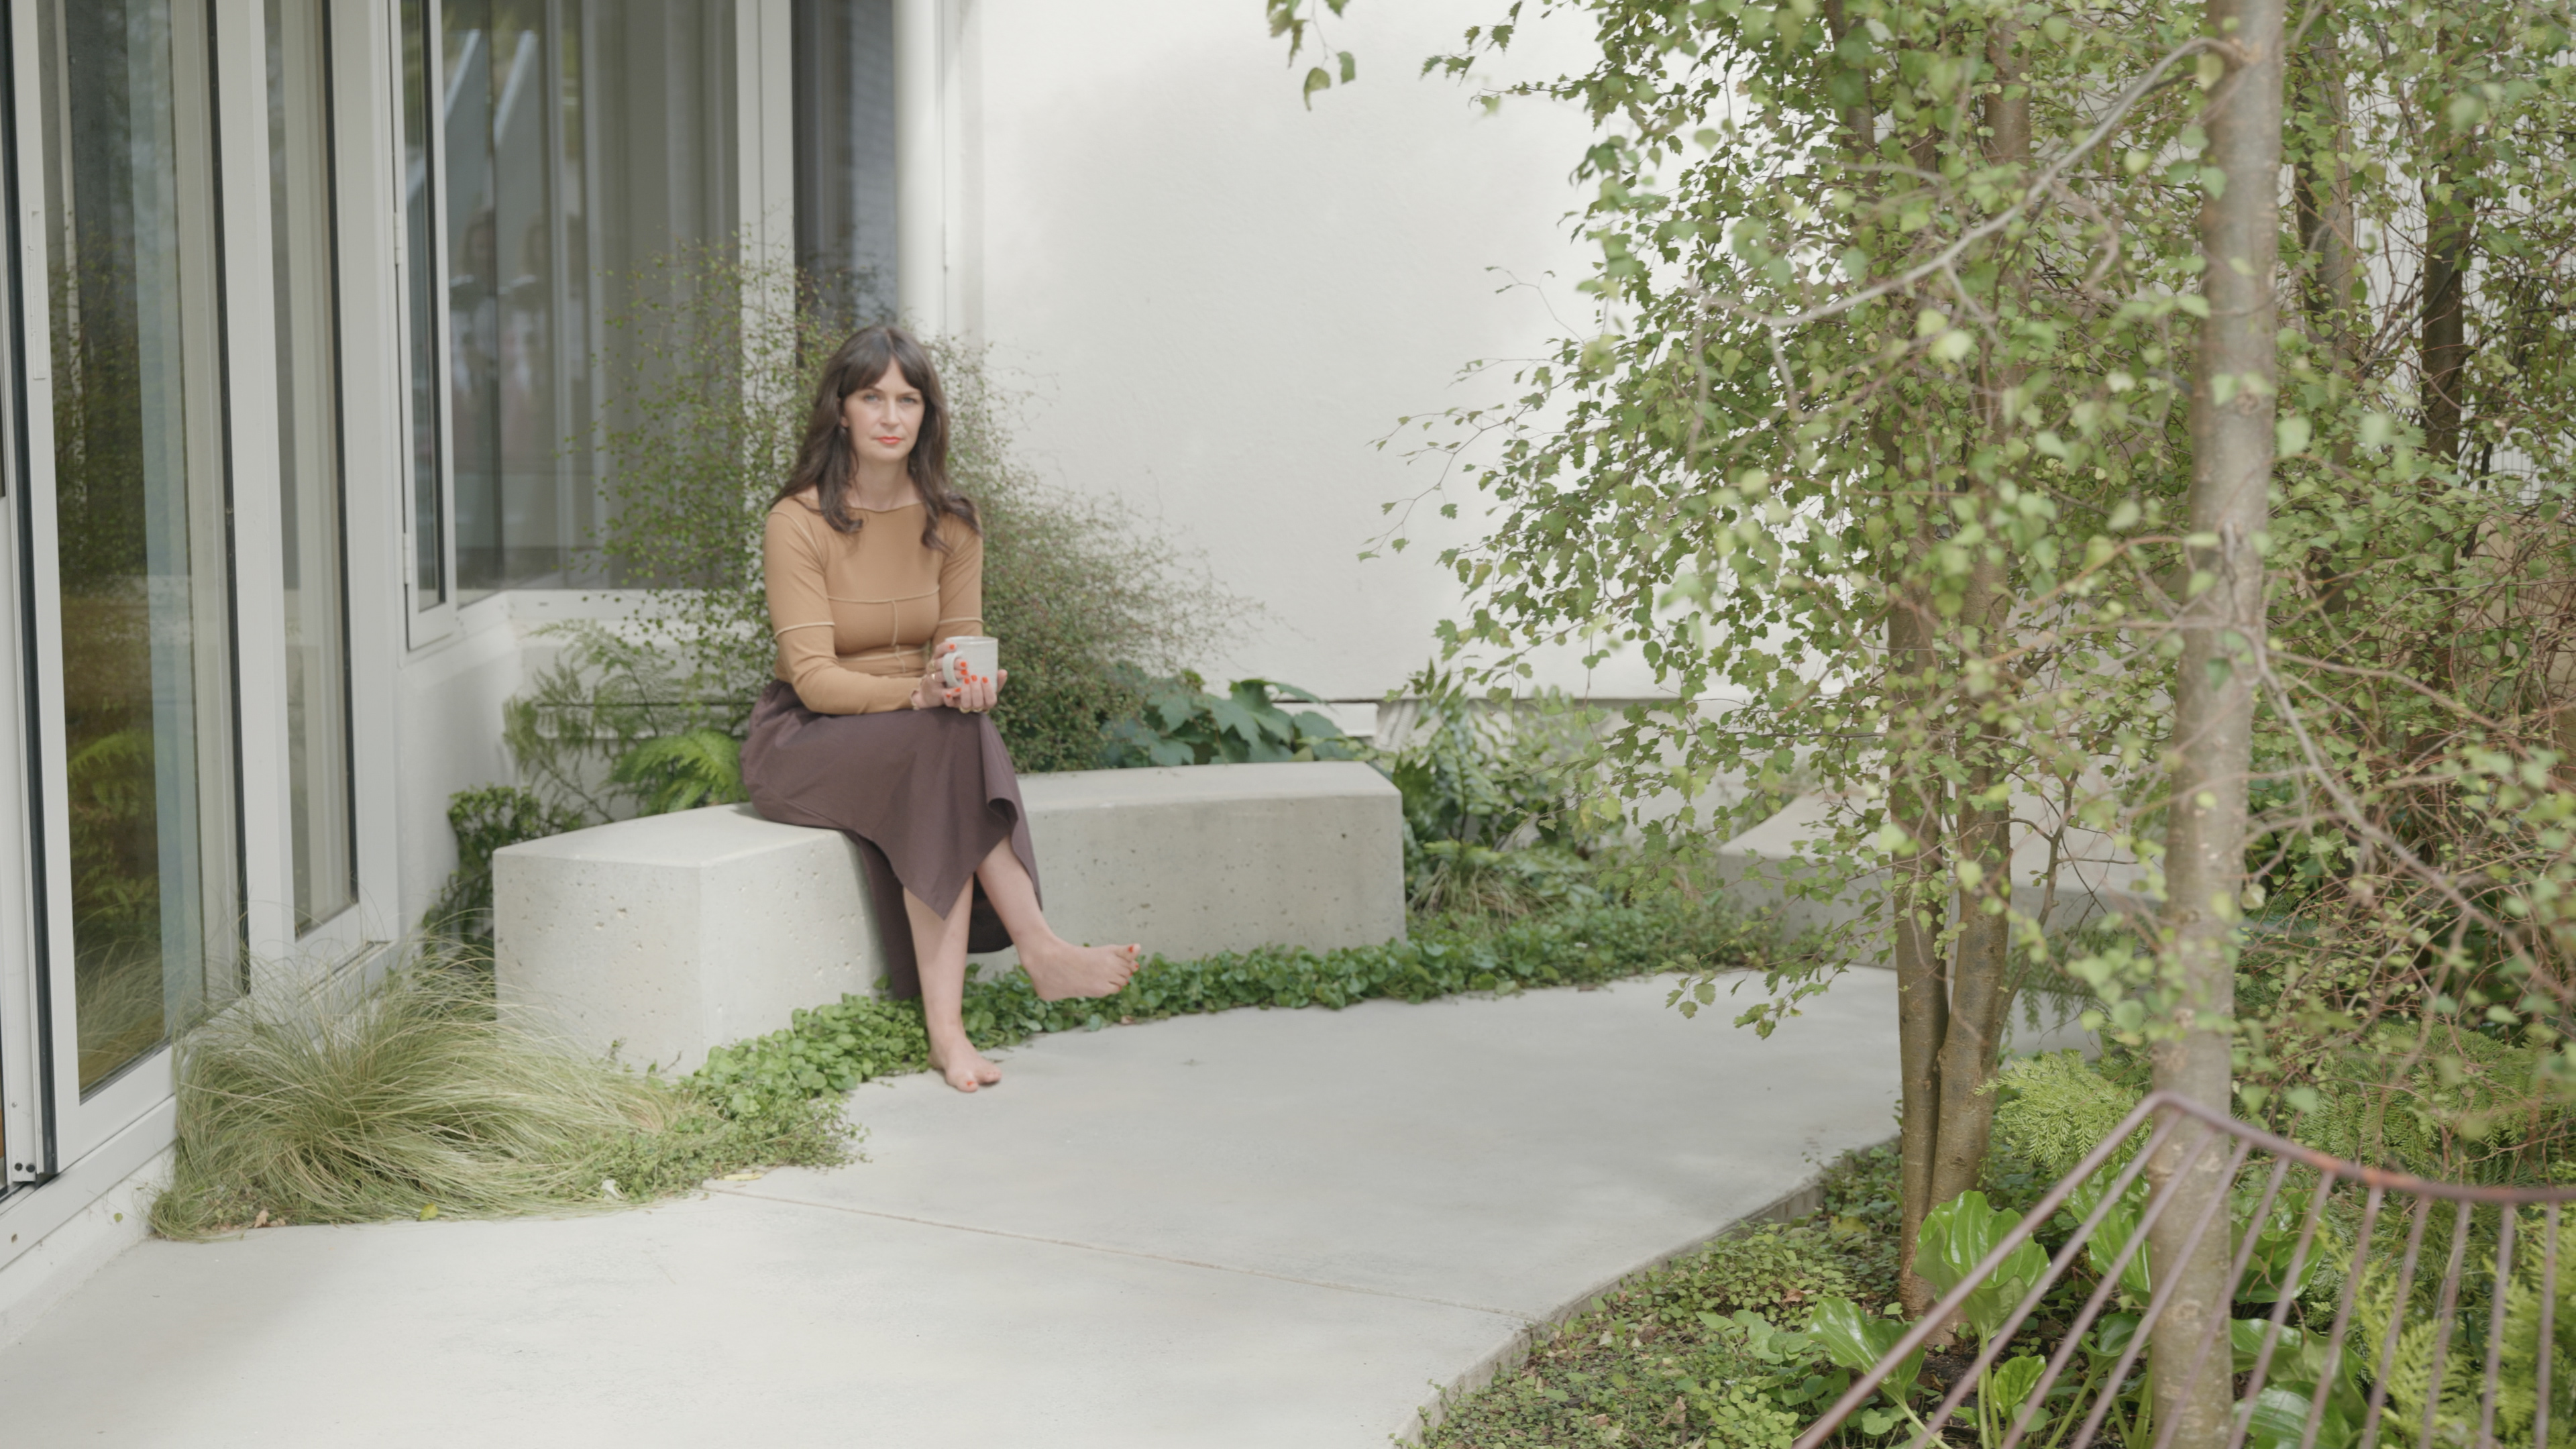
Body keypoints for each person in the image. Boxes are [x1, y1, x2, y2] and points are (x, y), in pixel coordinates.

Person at [740, 325, 1140, 1091]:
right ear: (843, 411)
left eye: (908, 398)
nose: (891, 415)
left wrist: (970, 684)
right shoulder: (796, 521)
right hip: (807, 737)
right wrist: (920, 694)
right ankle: (1036, 949)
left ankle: (955, 1028)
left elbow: (961, 647)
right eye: (872, 397)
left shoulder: (951, 520)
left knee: (955, 730)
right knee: (942, 734)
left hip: (921, 736)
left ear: (927, 415)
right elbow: (816, 678)